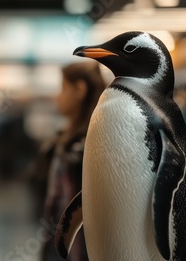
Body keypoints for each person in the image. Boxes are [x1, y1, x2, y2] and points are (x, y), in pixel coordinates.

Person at [31, 62, 106, 261]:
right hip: (59, 243)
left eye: (63, 88)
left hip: (77, 249)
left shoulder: (86, 146)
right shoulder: (66, 140)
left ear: (79, 90)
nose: (58, 97)